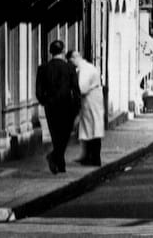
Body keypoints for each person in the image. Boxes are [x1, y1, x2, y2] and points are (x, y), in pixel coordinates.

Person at [34, 39, 80, 174]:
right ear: (63, 51)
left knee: (55, 135)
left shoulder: (43, 69)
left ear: (50, 52)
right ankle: (57, 160)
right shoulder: (70, 68)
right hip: (67, 105)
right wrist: (77, 108)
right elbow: (76, 90)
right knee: (65, 135)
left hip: (51, 106)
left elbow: (38, 91)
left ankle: (57, 160)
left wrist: (45, 101)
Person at [69, 49, 105, 166]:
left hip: (91, 100)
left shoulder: (85, 70)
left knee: (92, 128)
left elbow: (82, 88)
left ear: (74, 58)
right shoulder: (88, 67)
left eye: (71, 61)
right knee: (90, 128)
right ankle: (89, 156)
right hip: (92, 100)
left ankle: (94, 158)